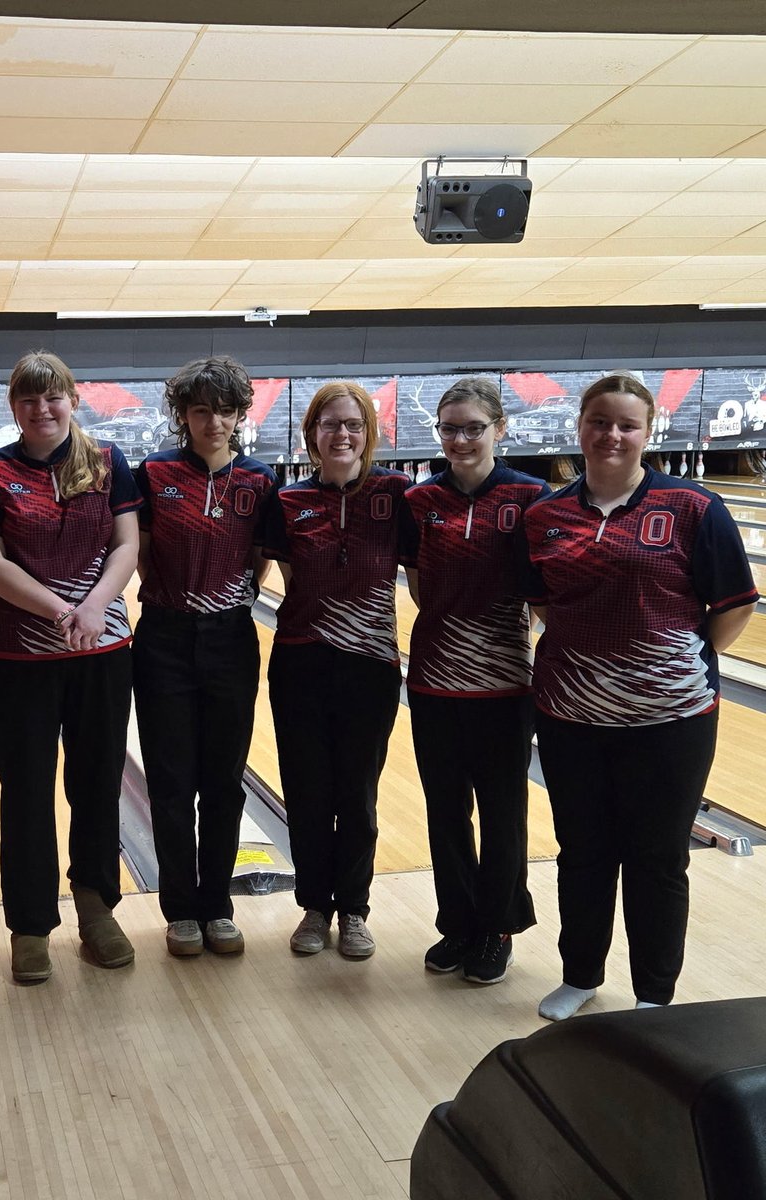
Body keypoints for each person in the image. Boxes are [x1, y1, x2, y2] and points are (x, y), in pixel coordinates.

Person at [523, 373, 757, 1021]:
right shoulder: (547, 516)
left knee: (657, 858)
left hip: (672, 720)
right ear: (580, 427)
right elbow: (543, 602)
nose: (612, 435)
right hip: (572, 715)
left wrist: (673, 659)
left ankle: (655, 995)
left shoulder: (694, 508)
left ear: (648, 431)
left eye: (627, 424)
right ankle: (580, 975)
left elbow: (734, 606)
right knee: (585, 851)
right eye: (600, 422)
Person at [0, 351, 141, 984]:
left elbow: (127, 544)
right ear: (15, 408)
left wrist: (94, 606)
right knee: (28, 793)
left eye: (53, 396)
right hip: (21, 657)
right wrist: (62, 610)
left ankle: (96, 909)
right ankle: (30, 926)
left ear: (72, 399)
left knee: (96, 786)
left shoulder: (109, 463)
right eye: (29, 399)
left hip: (102, 653)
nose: (43, 409)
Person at [401, 377, 550, 984]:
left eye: (472, 428)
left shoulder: (534, 496)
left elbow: (544, 592)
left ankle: (497, 928)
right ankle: (457, 924)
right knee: (445, 811)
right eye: (449, 429)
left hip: (505, 682)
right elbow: (415, 585)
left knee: (503, 810)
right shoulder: (420, 502)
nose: (459, 439)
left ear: (499, 429)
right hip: (434, 678)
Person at [134, 357, 277, 958]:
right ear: (183, 415)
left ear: (240, 413)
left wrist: (222, 605)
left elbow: (261, 562)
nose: (213, 421)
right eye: (200, 410)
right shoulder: (154, 473)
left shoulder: (260, 481)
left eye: (224, 410)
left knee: (223, 783)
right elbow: (139, 554)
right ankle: (180, 911)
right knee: (170, 785)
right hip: (164, 640)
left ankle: (217, 906)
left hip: (230, 640)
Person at [263, 382, 408, 960]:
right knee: (306, 792)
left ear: (368, 432)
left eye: (352, 424)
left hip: (370, 666)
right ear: (312, 434)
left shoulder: (397, 495)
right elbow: (290, 583)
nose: (341, 434)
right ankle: (313, 907)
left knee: (358, 793)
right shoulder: (289, 502)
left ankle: (353, 909)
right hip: (300, 660)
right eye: (329, 424)